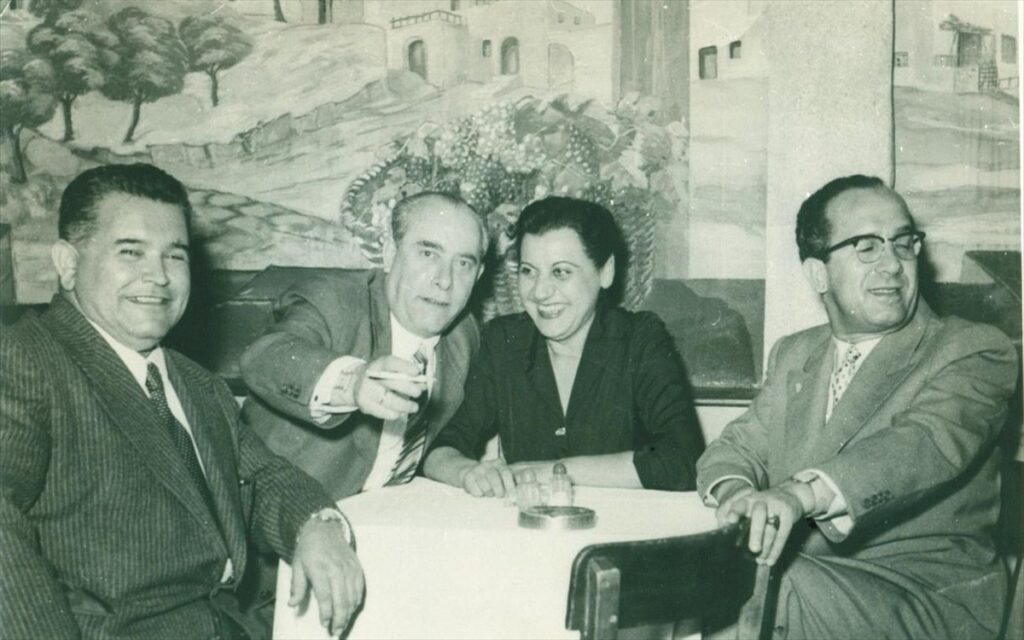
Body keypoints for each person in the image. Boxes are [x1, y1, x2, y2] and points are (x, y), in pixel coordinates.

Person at [0, 164, 363, 639]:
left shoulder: (195, 383)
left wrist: (317, 524)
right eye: (131, 252)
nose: (158, 276)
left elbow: (261, 478)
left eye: (174, 255)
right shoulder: (24, 358)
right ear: (67, 263)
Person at [696, 175, 1018, 638]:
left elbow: (922, 443)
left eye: (903, 244)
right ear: (818, 274)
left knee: (749, 584)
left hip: (922, 596)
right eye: (867, 247)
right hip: (808, 578)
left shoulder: (972, 349)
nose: (892, 264)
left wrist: (798, 495)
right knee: (678, 575)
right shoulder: (794, 353)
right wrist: (737, 494)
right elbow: (737, 447)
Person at [424, 196, 704, 496]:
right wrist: (468, 472)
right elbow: (439, 449)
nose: (540, 292)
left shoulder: (639, 339)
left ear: (605, 272)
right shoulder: (503, 341)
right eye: (528, 271)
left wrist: (546, 472)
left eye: (560, 272)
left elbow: (684, 459)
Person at [240, 192, 487, 500]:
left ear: (478, 275)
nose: (445, 280)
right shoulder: (334, 301)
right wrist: (352, 383)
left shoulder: (465, 335)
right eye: (428, 253)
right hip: (282, 511)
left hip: (386, 513)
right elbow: (265, 355)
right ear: (389, 252)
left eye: (463, 263)